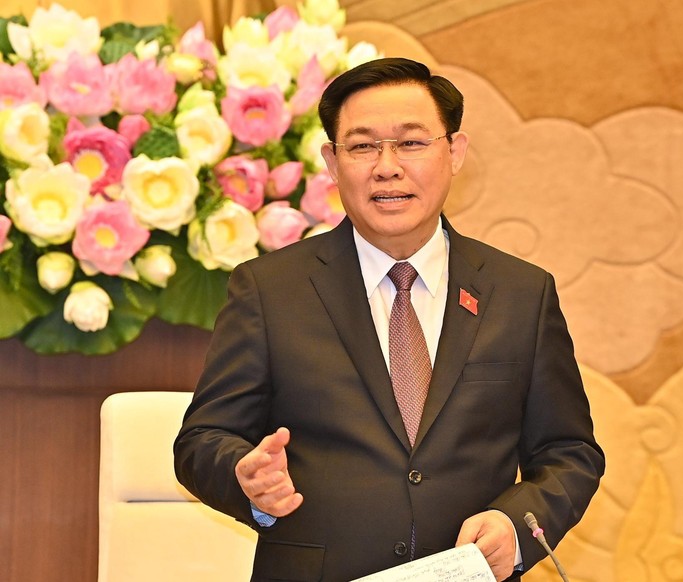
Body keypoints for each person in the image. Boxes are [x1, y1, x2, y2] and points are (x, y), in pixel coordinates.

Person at [174, 57, 604, 581]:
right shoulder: (269, 290)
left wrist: (514, 526)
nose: (387, 166)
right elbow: (202, 439)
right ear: (332, 162)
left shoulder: (521, 293)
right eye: (362, 147)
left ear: (454, 152)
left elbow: (568, 451)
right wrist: (244, 478)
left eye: (411, 142)